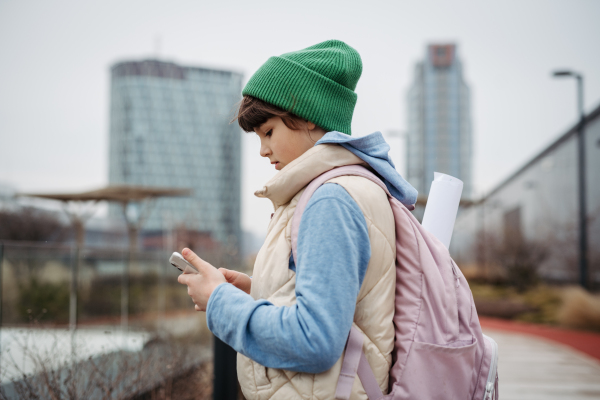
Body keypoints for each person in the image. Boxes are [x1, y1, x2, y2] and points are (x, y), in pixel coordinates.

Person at [177, 39, 418, 399]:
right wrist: (255, 290)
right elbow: (339, 300)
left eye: (269, 131)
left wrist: (219, 302)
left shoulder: (331, 200)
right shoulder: (349, 186)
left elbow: (315, 339)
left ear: (307, 116)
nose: (263, 150)